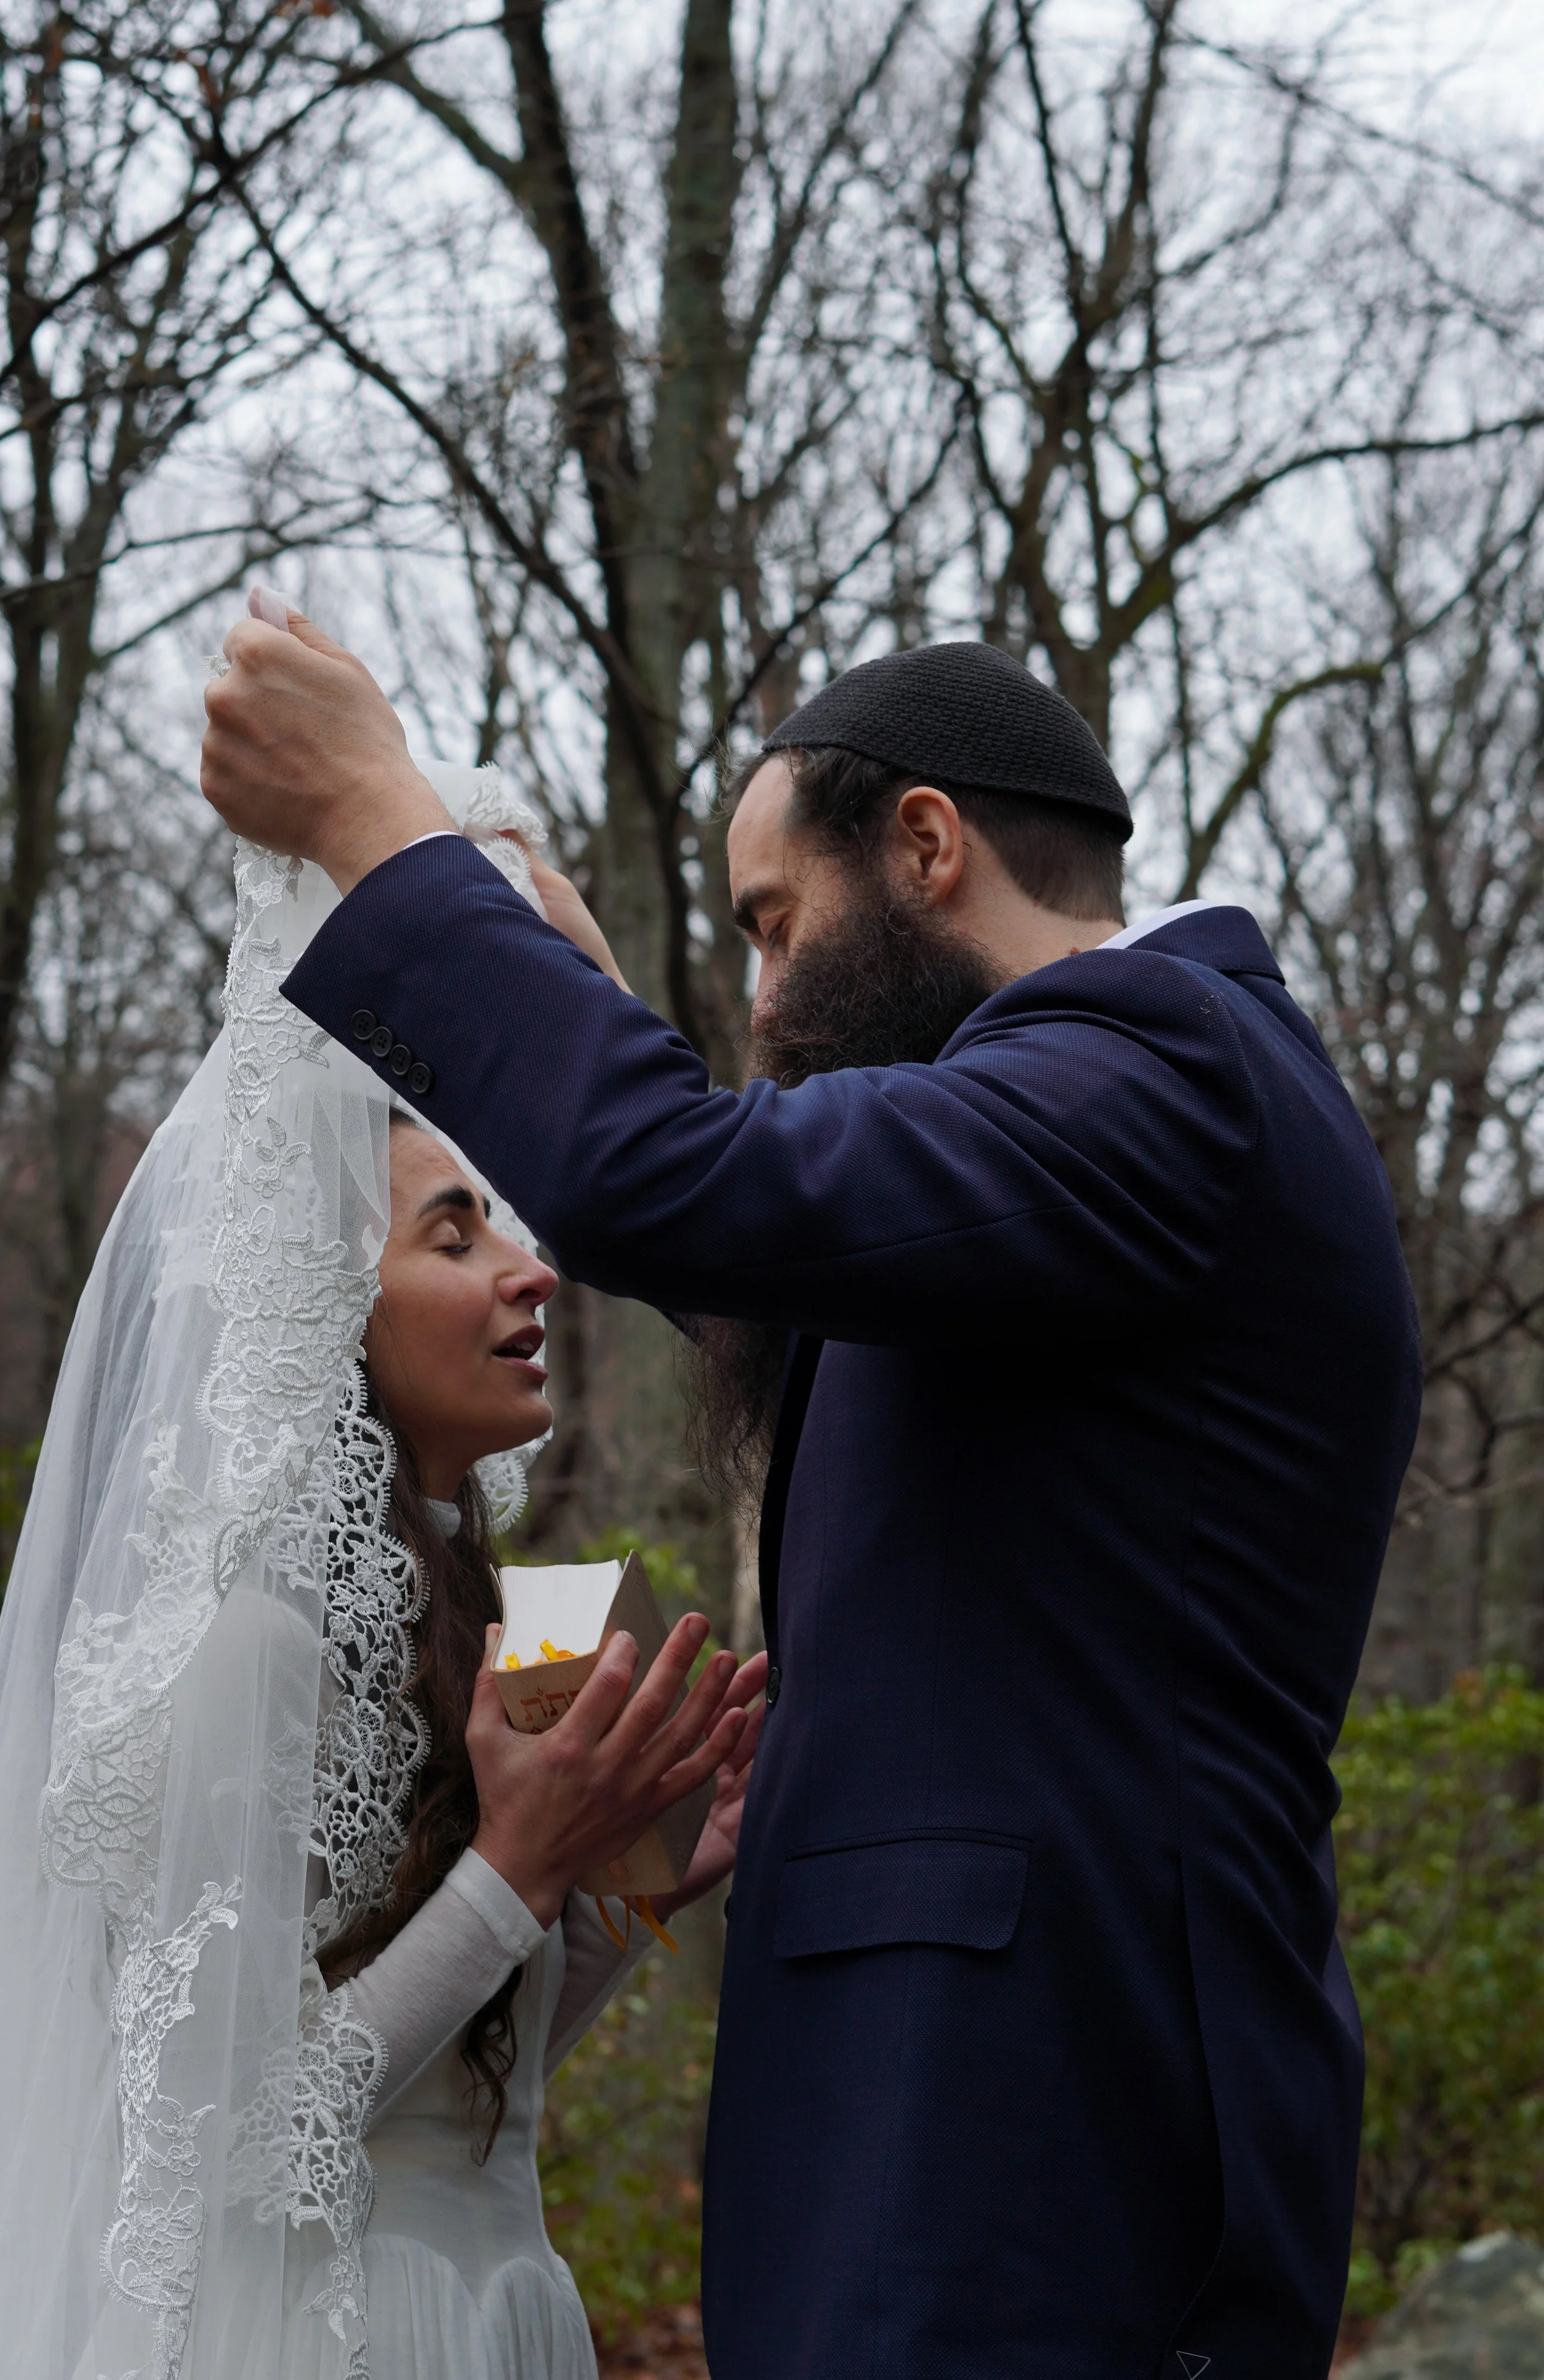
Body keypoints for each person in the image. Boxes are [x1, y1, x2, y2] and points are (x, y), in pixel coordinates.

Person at [201, 618, 1424, 2380]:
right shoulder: (1106, 1127)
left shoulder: (1165, 1065)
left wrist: (376, 821)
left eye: (776, 923)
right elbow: (780, 1271)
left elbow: (680, 1189)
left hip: (1039, 2123)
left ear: (925, 846)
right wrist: (577, 1012)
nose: (764, 998)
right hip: (968, 2115)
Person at [0, 786, 761, 2380]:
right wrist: (522, 1869)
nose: (532, 1266)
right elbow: (238, 2150)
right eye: (454, 1236)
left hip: (497, 2306)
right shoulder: (242, 1649)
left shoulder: (476, 1608)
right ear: (327, 1309)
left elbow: (460, 2107)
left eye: (507, 1223)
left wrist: (613, 1893)